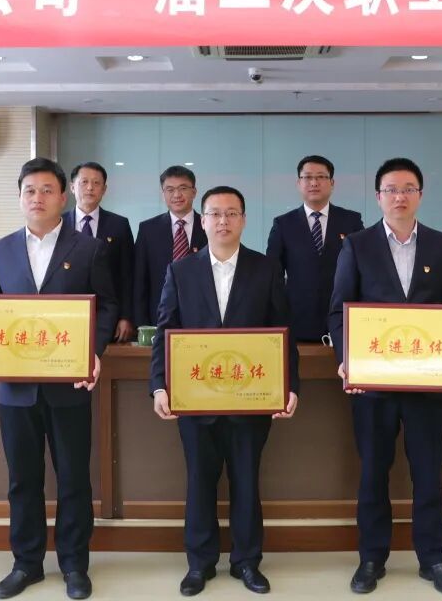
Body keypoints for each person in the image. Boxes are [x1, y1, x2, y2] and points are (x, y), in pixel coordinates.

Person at [0, 157, 117, 600]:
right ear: (19, 197)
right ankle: (26, 563)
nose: (38, 198)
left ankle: (74, 565)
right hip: (16, 389)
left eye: (47, 190)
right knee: (22, 479)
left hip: (70, 384)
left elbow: (107, 306)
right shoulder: (0, 249)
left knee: (74, 478)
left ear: (63, 197)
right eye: (29, 190)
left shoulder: (88, 248)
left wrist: (93, 351)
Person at [328, 157, 442, 597]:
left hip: (428, 383)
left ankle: (433, 559)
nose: (400, 197)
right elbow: (339, 311)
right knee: (373, 472)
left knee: (428, 474)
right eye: (391, 189)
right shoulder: (357, 245)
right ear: (378, 197)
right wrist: (346, 358)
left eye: (408, 188)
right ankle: (371, 558)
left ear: (420, 195)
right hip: (373, 385)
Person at [150, 186, 300, 597]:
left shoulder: (266, 269)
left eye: (232, 213)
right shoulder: (181, 270)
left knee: (246, 481)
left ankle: (246, 562)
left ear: (244, 220)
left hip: (251, 400)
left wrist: (290, 386)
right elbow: (165, 331)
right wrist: (159, 385)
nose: (223, 221)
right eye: (215, 213)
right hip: (195, 400)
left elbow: (283, 332)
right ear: (202, 221)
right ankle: (199, 564)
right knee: (199, 481)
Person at [266, 155, 364, 341]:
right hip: (297, 321)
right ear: (298, 183)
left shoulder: (351, 221)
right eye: (308, 177)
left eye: (321, 177)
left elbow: (363, 269)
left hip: (343, 320)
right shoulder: (283, 224)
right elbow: (273, 274)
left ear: (332, 183)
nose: (314, 183)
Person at [62, 161, 136, 342]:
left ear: (104, 189)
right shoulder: (58, 224)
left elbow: (128, 275)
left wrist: (126, 316)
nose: (90, 188)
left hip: (108, 315)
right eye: (84, 182)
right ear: (72, 187)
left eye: (96, 183)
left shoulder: (119, 225)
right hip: (66, 314)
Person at [133, 165, 207, 328]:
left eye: (183, 188)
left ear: (194, 192)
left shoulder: (208, 226)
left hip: (203, 317)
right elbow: (139, 281)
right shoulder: (148, 229)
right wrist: (141, 325)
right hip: (159, 316)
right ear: (163, 194)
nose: (177, 195)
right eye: (170, 189)